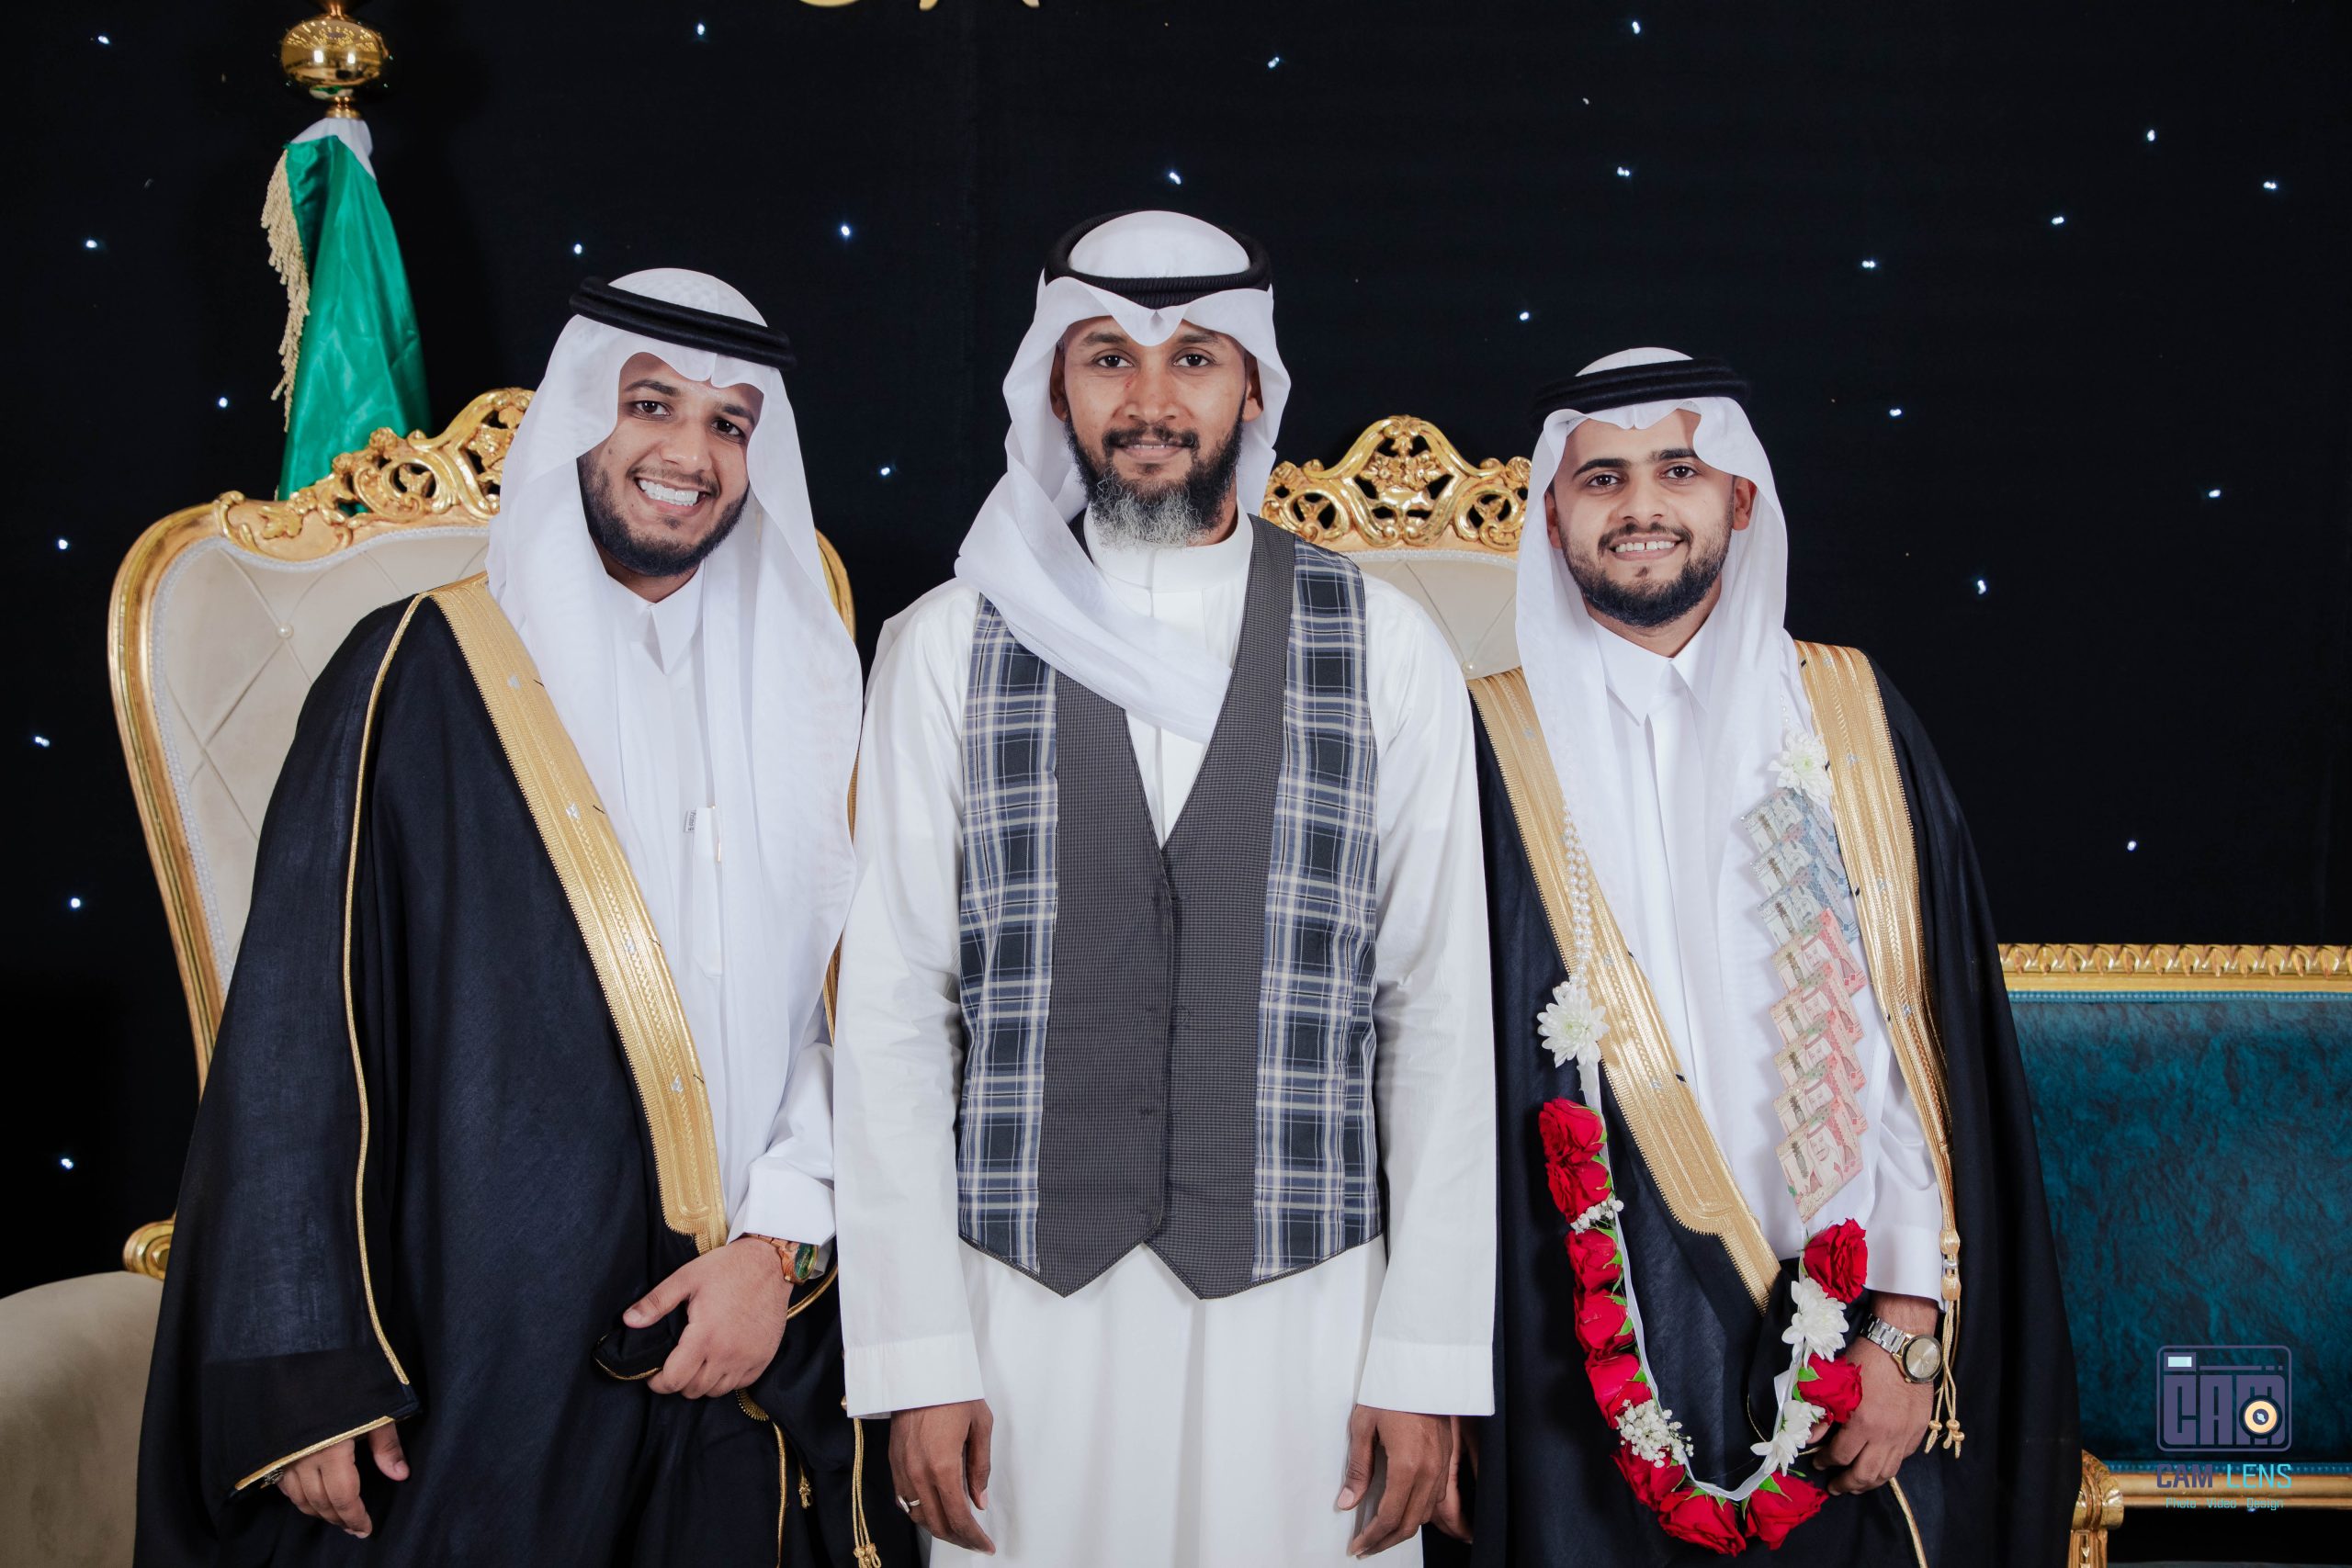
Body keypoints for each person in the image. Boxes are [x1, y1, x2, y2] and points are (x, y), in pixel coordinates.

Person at [136, 269, 912, 1566]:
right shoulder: (410, 670)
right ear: (578, 420)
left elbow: (863, 1010)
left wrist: (777, 1251)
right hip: (477, 1352)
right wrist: (310, 1365)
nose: (690, 452)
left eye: (729, 422)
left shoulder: (817, 689)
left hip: (746, 1336)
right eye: (651, 404)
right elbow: (293, 1039)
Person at [831, 210, 1498, 1566]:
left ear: (1252, 386)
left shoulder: (1387, 645)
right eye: (1107, 359)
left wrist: (1426, 1356)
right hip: (1019, 1321)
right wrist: (914, 1350)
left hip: (1309, 1320)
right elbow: (894, 1012)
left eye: (1193, 358)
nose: (1150, 401)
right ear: (1054, 388)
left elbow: (1436, 1011)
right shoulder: (945, 644)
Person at [1432, 348, 2078, 1563]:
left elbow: (1913, 1052)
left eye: (1678, 470)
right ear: (1552, 514)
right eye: (1602, 478)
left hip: (1844, 1355)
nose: (1640, 507)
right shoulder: (1483, 744)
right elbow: (1429, 1087)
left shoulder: (1852, 717)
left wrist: (1905, 1326)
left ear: (1740, 497)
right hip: (1571, 1354)